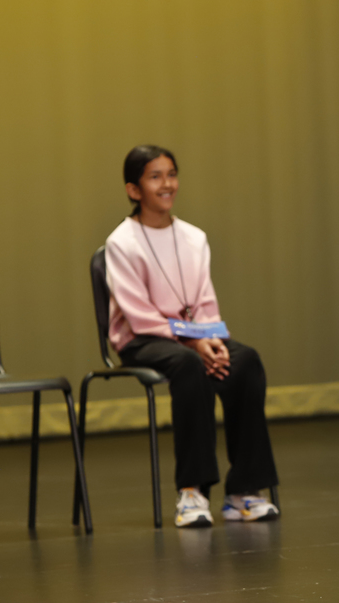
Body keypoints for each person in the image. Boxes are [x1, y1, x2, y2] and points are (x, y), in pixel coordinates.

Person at [105, 145, 279, 528]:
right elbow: (139, 316)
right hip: (144, 339)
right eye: (155, 177)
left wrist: (212, 340)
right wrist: (193, 344)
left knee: (244, 359)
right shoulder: (122, 242)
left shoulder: (194, 237)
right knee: (187, 365)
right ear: (134, 190)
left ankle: (243, 492)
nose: (167, 184)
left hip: (194, 336)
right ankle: (191, 492)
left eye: (171, 174)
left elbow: (204, 302)